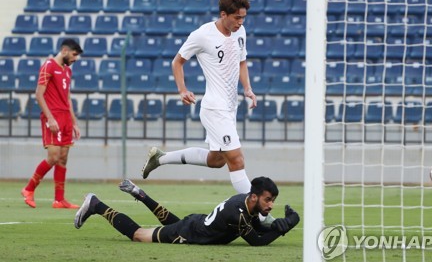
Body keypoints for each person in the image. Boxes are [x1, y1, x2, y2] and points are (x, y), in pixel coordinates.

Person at [142, 0, 257, 198]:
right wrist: (182, 90)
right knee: (237, 160)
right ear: (224, 14)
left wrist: (247, 88)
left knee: (217, 160)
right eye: (237, 18)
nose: (241, 22)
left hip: (230, 108)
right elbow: (177, 61)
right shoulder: (202, 35)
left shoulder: (241, 33)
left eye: (243, 18)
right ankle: (259, 215)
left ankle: (160, 158)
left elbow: (241, 62)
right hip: (214, 109)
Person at [74, 177, 300, 246]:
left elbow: (259, 227)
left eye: (273, 201)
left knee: (171, 222)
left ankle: (141, 195)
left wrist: (280, 223)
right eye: (268, 200)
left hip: (196, 223)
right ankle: (96, 205)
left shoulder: (244, 203)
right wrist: (283, 227)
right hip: (189, 233)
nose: (271, 205)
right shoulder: (239, 213)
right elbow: (257, 241)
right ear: (254, 197)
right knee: (139, 235)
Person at [21, 39, 83, 209]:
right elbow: (39, 94)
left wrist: (74, 122)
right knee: (54, 157)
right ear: (64, 50)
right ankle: (28, 189)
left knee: (63, 159)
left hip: (65, 118)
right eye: (74, 54)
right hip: (53, 117)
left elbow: (67, 98)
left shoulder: (67, 71)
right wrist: (49, 118)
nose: (75, 58)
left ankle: (59, 200)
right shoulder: (48, 66)